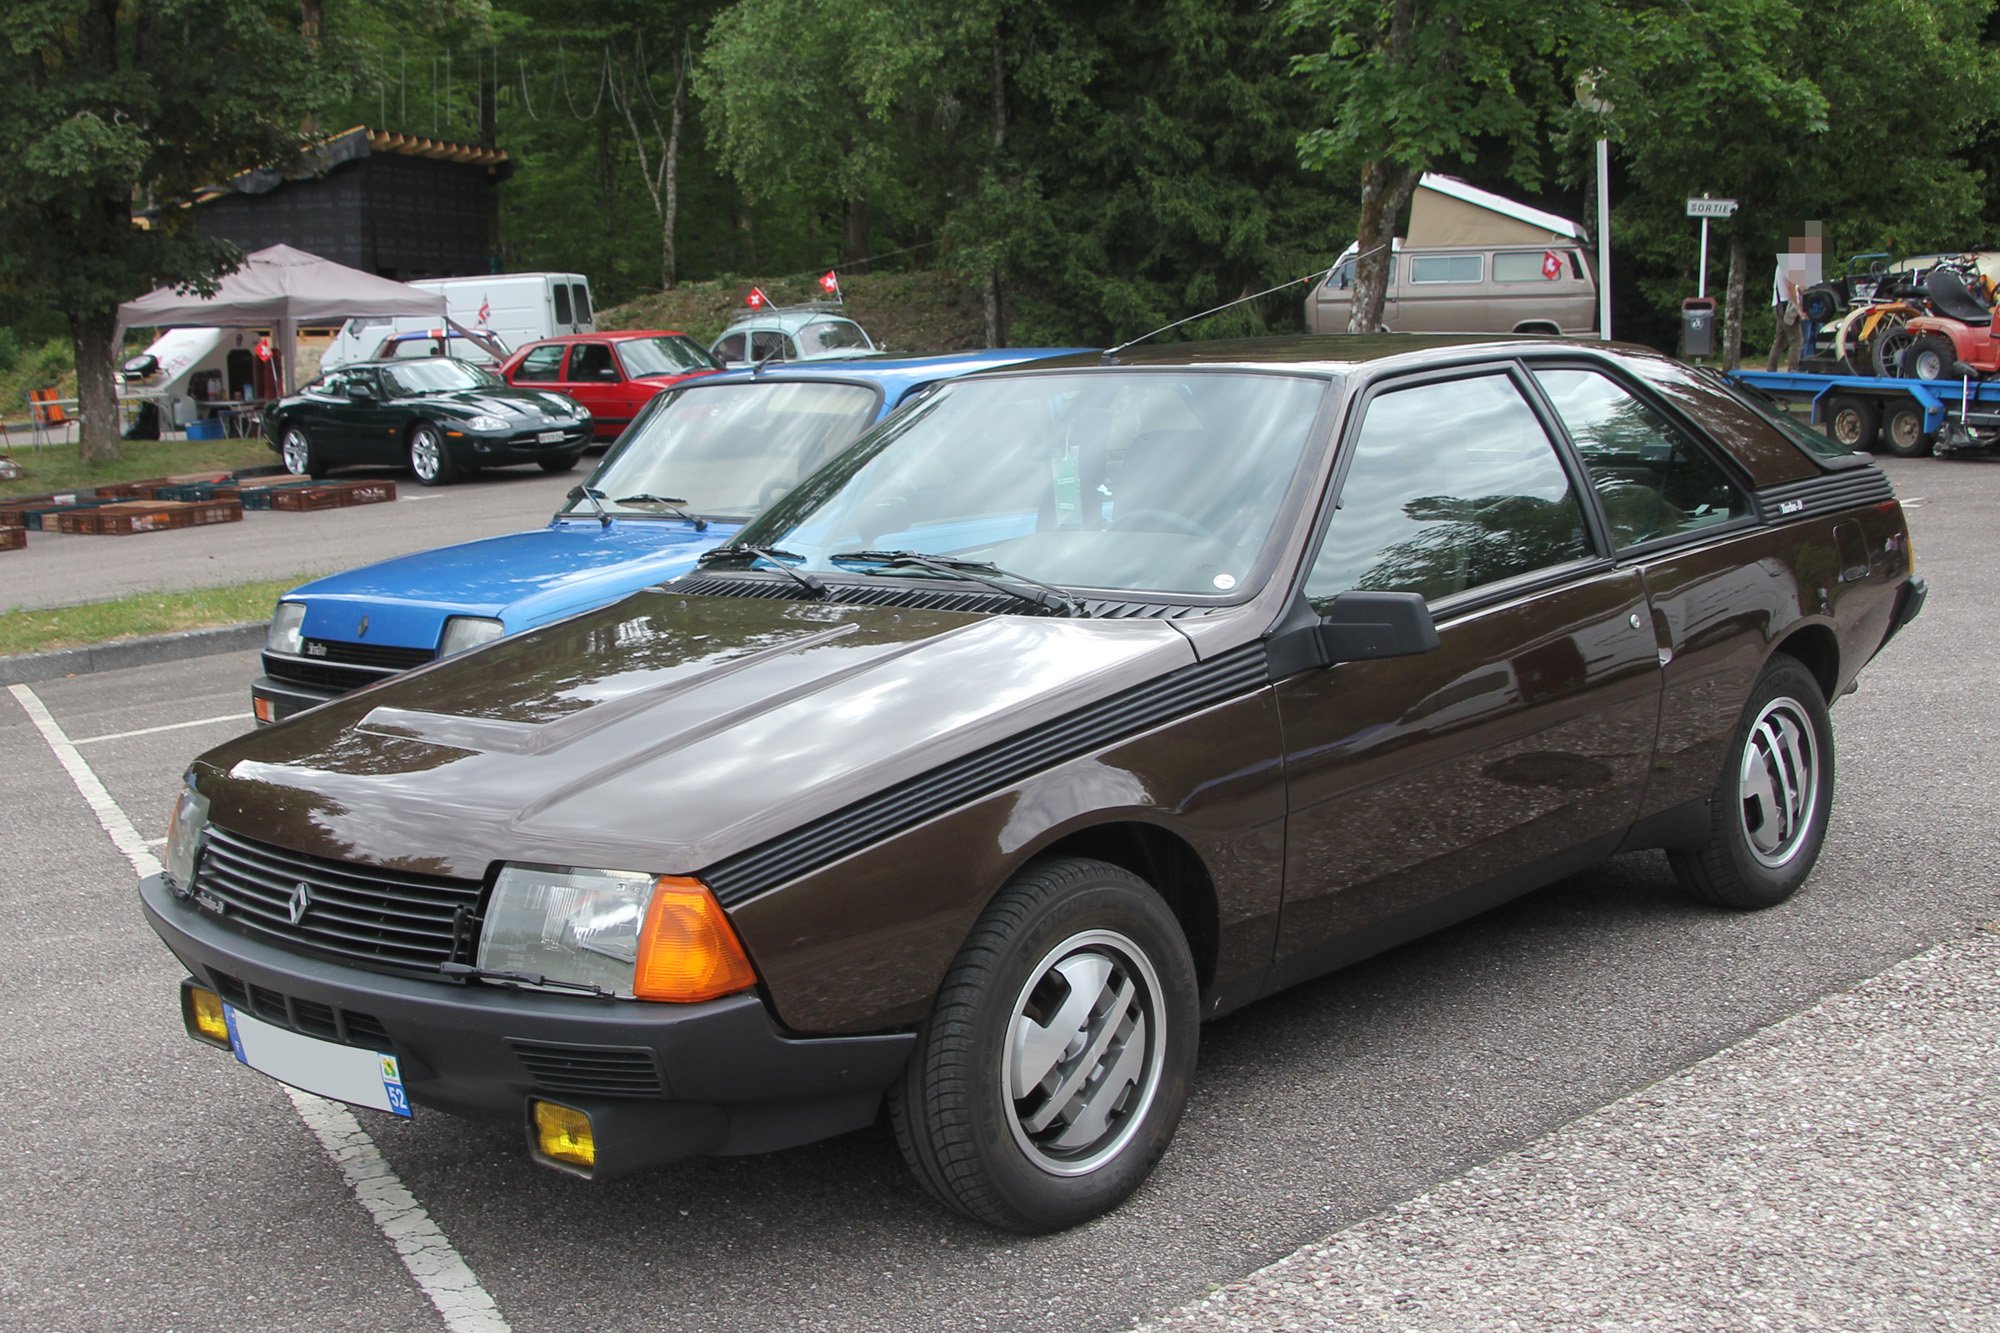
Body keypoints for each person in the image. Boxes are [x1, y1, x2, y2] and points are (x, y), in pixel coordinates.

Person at [1767, 224, 1824, 372]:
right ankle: (1793, 369)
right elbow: (1791, 287)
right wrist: (1799, 309)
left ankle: (1771, 369)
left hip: (1779, 304)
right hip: (1787, 306)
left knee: (1779, 341)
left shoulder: (1781, 263)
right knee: (1797, 340)